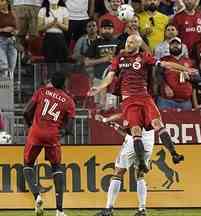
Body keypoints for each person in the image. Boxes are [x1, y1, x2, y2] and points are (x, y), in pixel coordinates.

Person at [89, 34, 187, 173]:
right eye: (128, 41)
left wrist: (185, 69)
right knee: (136, 131)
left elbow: (164, 64)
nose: (128, 44)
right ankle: (141, 163)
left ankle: (174, 154)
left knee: (157, 124)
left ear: (138, 45)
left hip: (144, 96)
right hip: (128, 99)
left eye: (132, 42)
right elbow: (110, 76)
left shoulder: (144, 57)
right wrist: (99, 87)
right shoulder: (119, 59)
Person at [23, 71, 76, 216]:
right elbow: (70, 127)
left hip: (35, 133)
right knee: (56, 168)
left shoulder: (42, 91)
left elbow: (26, 111)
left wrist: (30, 126)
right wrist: (61, 134)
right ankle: (59, 210)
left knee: (28, 165)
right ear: (64, 83)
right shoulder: (69, 100)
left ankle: (37, 196)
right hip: (52, 135)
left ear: (51, 81)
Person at [94, 113, 154, 216]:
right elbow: (128, 132)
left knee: (118, 173)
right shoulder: (150, 112)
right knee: (140, 175)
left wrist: (105, 120)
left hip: (132, 143)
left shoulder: (133, 110)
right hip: (148, 144)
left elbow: (129, 131)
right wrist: (113, 124)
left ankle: (109, 209)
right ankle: (142, 209)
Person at [38, 0, 69, 79]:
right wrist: (50, 24)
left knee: (63, 65)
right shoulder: (43, 10)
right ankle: (50, 85)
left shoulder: (64, 9)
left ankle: (62, 87)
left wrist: (58, 24)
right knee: (50, 65)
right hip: (48, 38)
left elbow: (66, 27)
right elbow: (39, 28)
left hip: (60, 38)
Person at [0, 0, 17, 80]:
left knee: (12, 66)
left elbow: (17, 28)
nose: (1, 3)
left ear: (7, 2)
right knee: (4, 65)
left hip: (12, 41)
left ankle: (10, 90)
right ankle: (4, 90)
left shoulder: (12, 13)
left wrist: (15, 31)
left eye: (2, 1)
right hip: (1, 41)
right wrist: (3, 29)